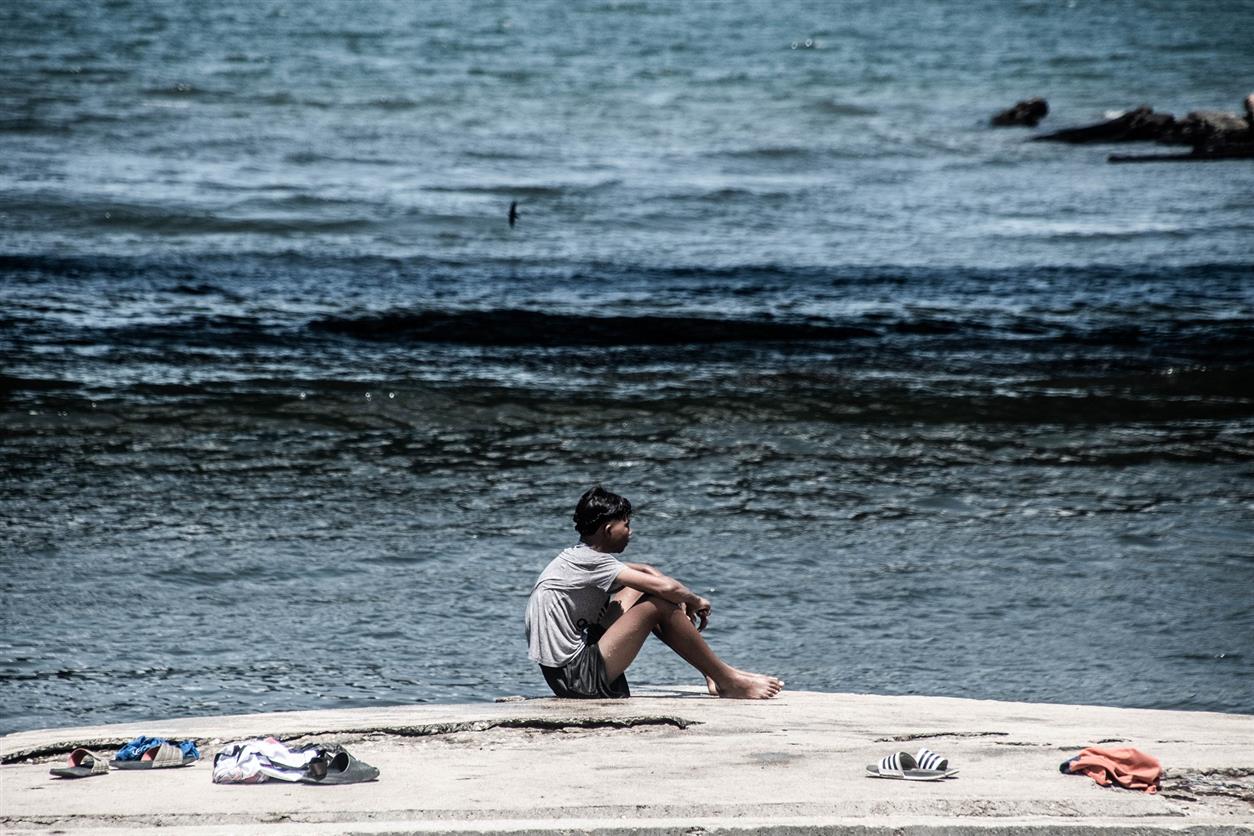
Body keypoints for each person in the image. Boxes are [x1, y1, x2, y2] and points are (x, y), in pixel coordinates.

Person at [524, 486, 784, 699]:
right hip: (577, 679)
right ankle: (728, 681)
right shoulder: (592, 562)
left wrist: (675, 596)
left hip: (571, 670)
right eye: (626, 525)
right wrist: (695, 600)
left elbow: (646, 573)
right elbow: (665, 589)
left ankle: (714, 673)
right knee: (658, 604)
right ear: (608, 530)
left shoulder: (578, 558)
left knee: (643, 590)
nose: (631, 532)